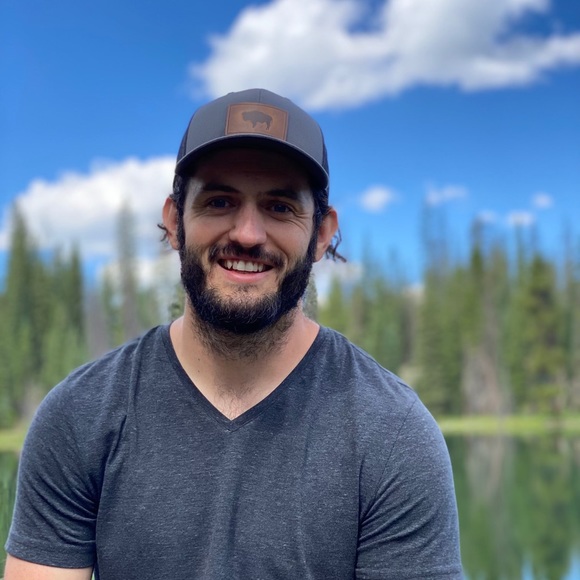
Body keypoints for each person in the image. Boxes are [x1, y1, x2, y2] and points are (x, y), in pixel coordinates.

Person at [4, 88, 463, 579]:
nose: (247, 234)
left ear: (322, 234)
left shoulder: (392, 433)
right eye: (219, 201)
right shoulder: (80, 416)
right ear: (175, 222)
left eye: (280, 207)